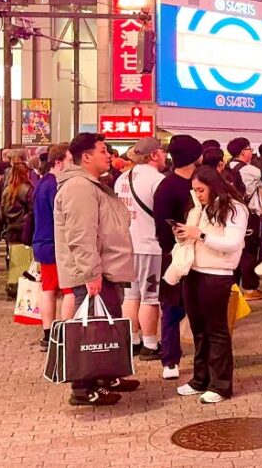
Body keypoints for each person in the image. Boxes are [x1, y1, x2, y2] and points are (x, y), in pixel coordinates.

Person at [54, 133, 140, 406]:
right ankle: (83, 387)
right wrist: (91, 273)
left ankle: (105, 376)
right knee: (90, 331)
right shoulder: (79, 186)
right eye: (104, 151)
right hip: (93, 273)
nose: (109, 155)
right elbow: (81, 235)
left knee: (104, 327)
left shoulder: (92, 184)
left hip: (105, 270)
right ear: (86, 157)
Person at [170, 165, 247, 404]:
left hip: (217, 275)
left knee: (217, 331)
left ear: (214, 186)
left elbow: (233, 243)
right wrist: (183, 233)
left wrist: (199, 235)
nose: (198, 194)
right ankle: (200, 378)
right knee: (198, 330)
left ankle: (221, 384)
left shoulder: (235, 208)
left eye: (201, 189)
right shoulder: (199, 209)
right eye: (195, 190)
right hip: (192, 271)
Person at [153, 135, 203, 381]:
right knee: (173, 308)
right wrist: (173, 249)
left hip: (198, 256)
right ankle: (171, 358)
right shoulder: (170, 186)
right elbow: (162, 227)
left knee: (191, 309)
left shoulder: (191, 182)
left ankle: (187, 358)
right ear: (195, 156)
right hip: (178, 256)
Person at [113, 137, 166, 362]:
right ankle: (151, 344)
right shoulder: (158, 180)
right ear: (154, 154)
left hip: (126, 245)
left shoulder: (122, 178)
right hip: (149, 245)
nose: (165, 155)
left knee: (130, 295)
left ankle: (132, 340)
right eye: (162, 151)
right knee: (150, 297)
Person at [225, 137, 262, 301]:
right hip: (249, 214)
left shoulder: (226, 167)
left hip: (230, 214)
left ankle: (233, 288)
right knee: (249, 251)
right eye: (249, 149)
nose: (251, 152)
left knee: (234, 249)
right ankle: (250, 288)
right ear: (243, 152)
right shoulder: (249, 169)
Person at [31, 144, 70, 350]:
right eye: (71, 161)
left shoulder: (42, 182)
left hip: (43, 242)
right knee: (68, 291)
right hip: (57, 244)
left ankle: (48, 334)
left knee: (48, 290)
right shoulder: (57, 185)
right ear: (58, 162)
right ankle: (64, 334)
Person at [0, 162, 34, 251]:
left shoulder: (7, 190)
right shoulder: (28, 189)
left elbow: (3, 208)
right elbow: (32, 209)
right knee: (25, 257)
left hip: (11, 227)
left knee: (13, 255)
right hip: (25, 228)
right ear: (26, 173)